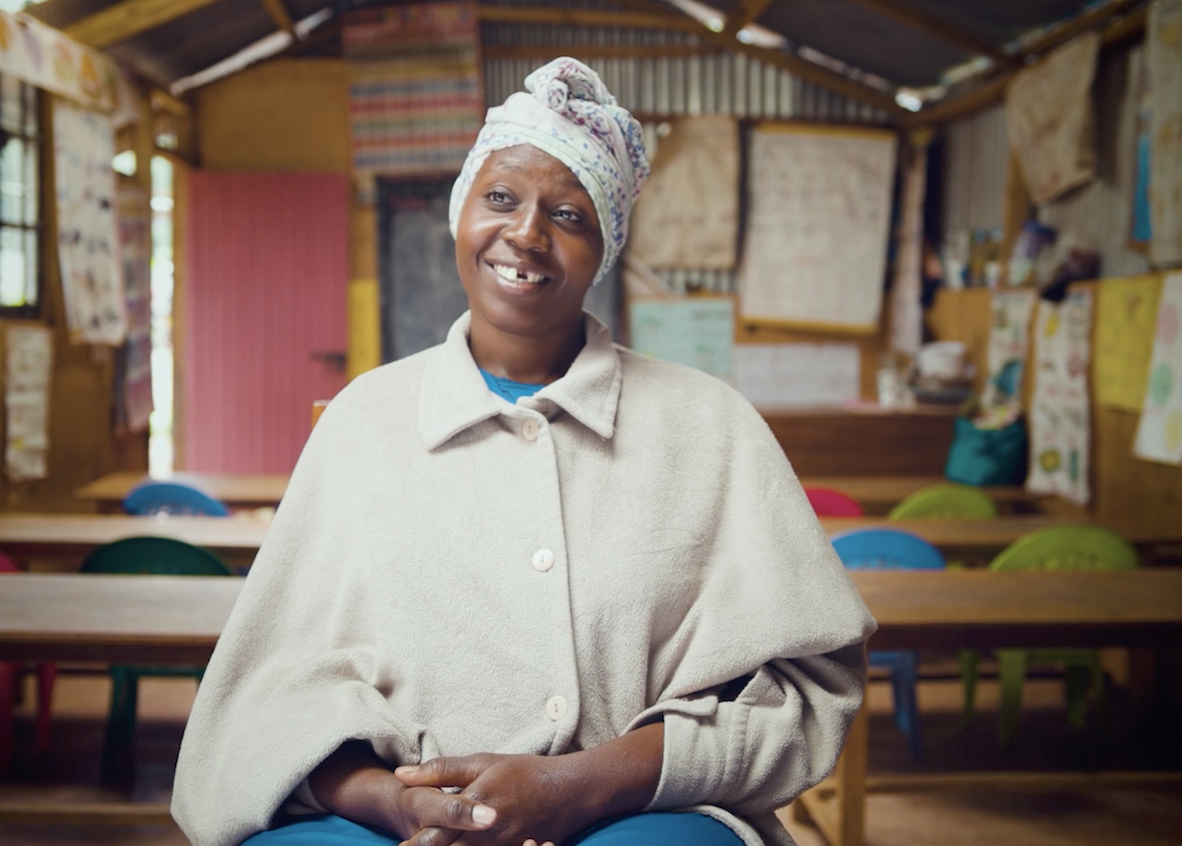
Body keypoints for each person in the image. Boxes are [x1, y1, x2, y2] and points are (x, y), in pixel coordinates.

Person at [171, 58, 875, 846]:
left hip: (637, 814)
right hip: (387, 821)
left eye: (570, 216)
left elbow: (811, 689)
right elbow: (271, 696)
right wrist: (395, 802)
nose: (527, 234)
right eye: (500, 197)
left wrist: (583, 784)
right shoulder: (362, 421)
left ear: (604, 247)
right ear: (460, 211)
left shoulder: (710, 426)